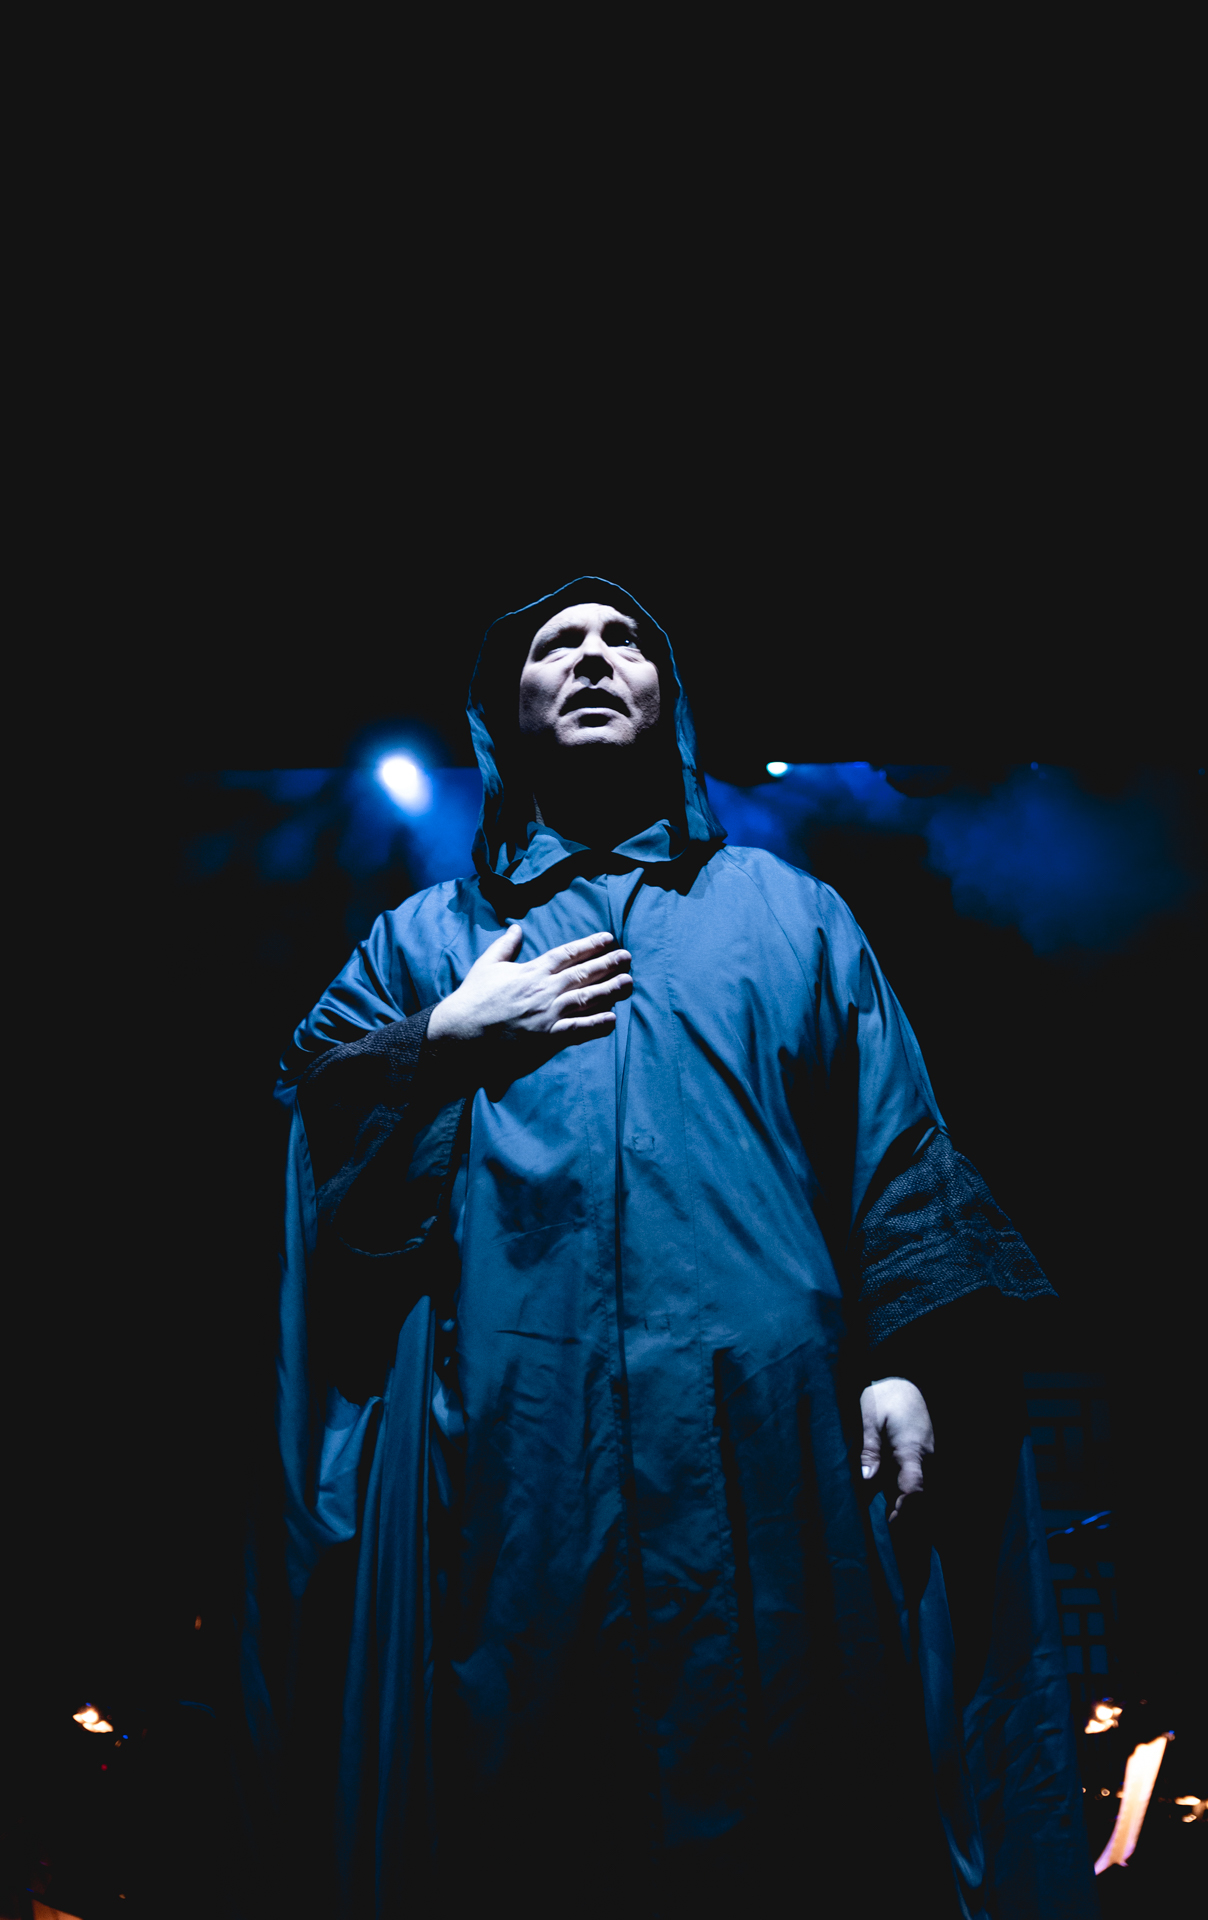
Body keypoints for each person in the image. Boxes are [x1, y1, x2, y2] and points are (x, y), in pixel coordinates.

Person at [244, 580, 1098, 1917]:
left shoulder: (790, 914)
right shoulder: (428, 940)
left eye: (624, 638)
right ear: (504, 712)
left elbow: (892, 1141)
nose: (593, 656)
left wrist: (902, 1355)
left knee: (788, 1775)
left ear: (670, 699)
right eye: (556, 644)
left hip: (770, 1427)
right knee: (533, 1787)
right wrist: (440, 1041)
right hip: (519, 1443)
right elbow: (311, 1127)